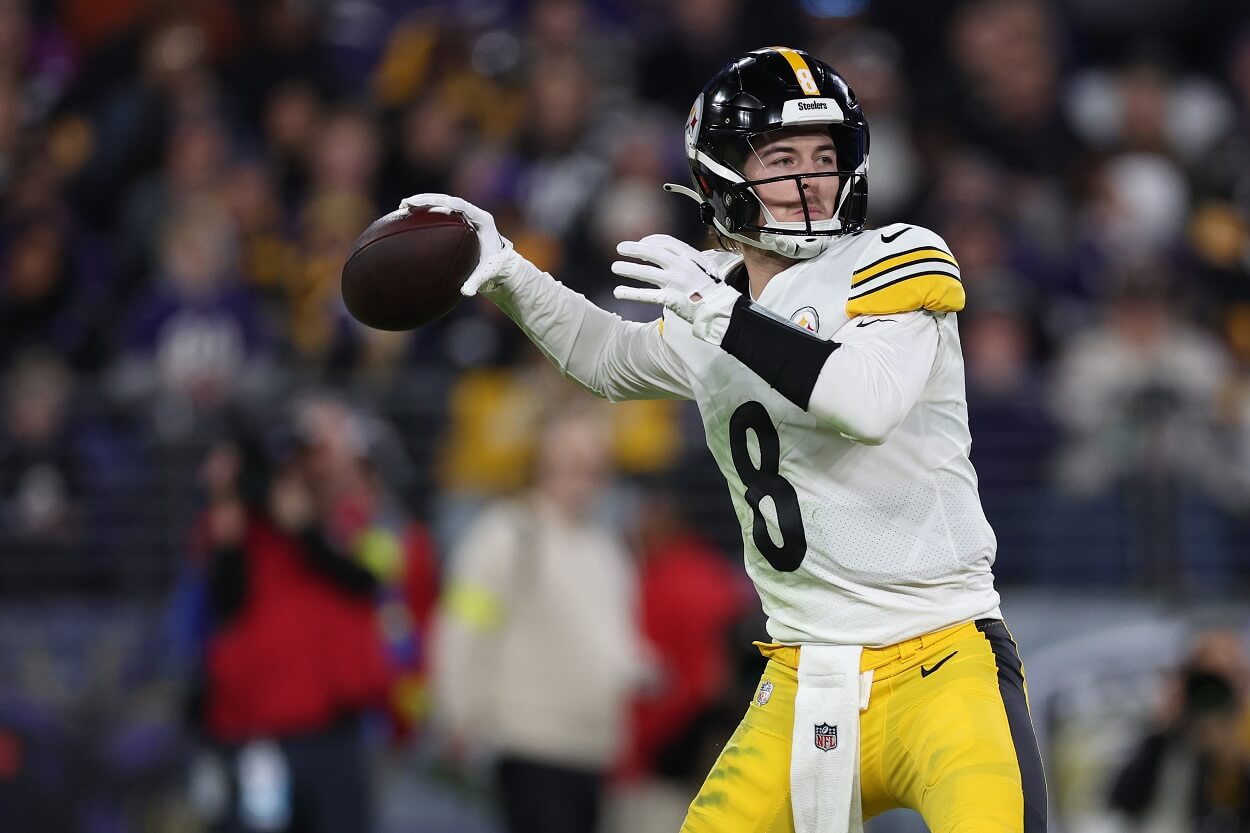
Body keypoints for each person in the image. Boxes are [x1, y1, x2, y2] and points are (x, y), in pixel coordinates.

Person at [406, 46, 1045, 833]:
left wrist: (725, 317)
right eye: (782, 158)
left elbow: (866, 401)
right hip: (804, 668)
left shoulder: (894, 257)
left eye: (825, 155)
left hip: (943, 658)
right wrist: (507, 269)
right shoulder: (712, 298)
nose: (812, 178)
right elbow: (608, 358)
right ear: (720, 175)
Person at [431, 409, 649, 833]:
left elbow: (614, 639)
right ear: (542, 462)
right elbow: (463, 627)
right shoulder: (507, 534)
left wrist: (641, 669)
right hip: (530, 745)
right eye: (572, 460)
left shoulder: (607, 549)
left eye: (595, 463)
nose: (585, 474)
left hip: (595, 749)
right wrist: (457, 713)